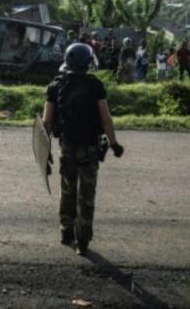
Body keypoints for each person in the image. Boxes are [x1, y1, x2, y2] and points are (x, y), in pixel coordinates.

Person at [42, 43, 124, 256]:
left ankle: (65, 230)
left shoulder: (54, 86)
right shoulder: (95, 85)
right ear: (88, 63)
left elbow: (46, 123)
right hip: (89, 148)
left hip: (66, 147)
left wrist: (45, 152)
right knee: (86, 195)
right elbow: (106, 119)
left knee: (68, 189)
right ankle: (83, 241)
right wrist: (114, 144)